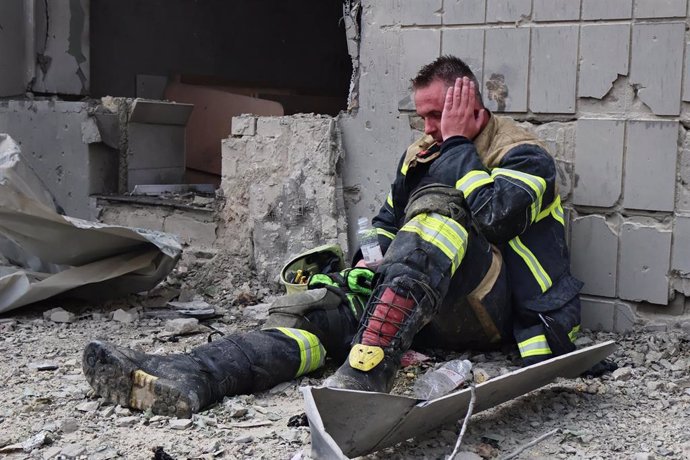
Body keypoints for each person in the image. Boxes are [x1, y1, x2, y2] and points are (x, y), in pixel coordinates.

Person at [82, 55, 581, 418]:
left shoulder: (522, 154)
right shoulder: (422, 153)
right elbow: (388, 223)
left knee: (438, 209)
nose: (429, 129)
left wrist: (454, 145)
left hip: (496, 308)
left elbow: (496, 219)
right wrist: (371, 261)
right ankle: (196, 374)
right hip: (426, 304)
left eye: (439, 116)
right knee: (320, 314)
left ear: (470, 104)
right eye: (423, 116)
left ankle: (367, 371)